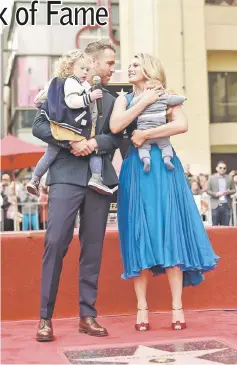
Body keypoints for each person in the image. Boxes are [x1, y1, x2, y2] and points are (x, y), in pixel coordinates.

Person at [110, 53, 219, 331]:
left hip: (165, 167)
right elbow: (115, 126)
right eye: (130, 64)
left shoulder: (167, 96)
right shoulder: (124, 98)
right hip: (136, 170)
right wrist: (144, 102)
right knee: (139, 234)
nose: (130, 68)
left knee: (169, 230)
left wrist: (146, 134)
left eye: (135, 64)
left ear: (149, 69)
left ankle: (177, 307)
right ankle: (142, 308)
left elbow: (181, 125)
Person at [32, 40, 122, 341]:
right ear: (92, 64)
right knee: (55, 242)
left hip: (99, 181)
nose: (112, 68)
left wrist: (95, 143)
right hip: (65, 176)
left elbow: (115, 138)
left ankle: (87, 316)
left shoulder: (111, 100)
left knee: (92, 249)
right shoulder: (58, 87)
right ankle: (45, 318)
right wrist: (71, 142)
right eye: (109, 63)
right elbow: (39, 127)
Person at [27, 49, 112, 196]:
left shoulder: (57, 82)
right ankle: (96, 178)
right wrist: (90, 97)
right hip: (73, 126)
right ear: (69, 67)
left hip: (59, 126)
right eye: (82, 68)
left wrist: (41, 101)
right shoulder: (73, 83)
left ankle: (34, 179)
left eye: (87, 69)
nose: (85, 72)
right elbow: (73, 102)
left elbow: (41, 98)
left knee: (50, 154)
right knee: (93, 150)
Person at [129, 79, 186, 171]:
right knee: (166, 146)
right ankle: (167, 159)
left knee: (143, 148)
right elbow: (177, 99)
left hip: (143, 133)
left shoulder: (141, 98)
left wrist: (142, 99)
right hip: (160, 132)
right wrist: (183, 98)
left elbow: (131, 104)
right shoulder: (164, 97)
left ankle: (146, 160)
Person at [207, 161, 235, 226]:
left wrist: (228, 192)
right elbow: (208, 190)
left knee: (226, 225)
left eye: (224, 168)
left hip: (226, 204)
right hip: (215, 204)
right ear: (216, 168)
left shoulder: (229, 178)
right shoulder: (211, 178)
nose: (222, 169)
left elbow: (234, 190)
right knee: (215, 225)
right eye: (220, 168)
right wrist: (215, 194)